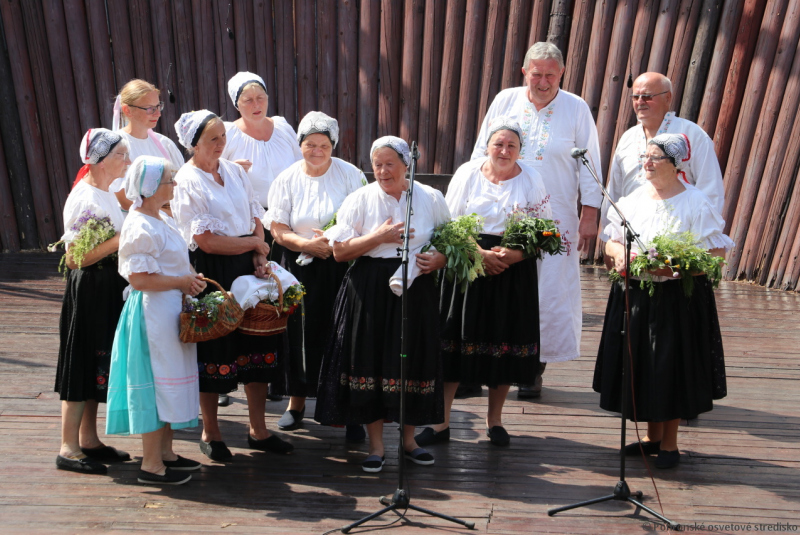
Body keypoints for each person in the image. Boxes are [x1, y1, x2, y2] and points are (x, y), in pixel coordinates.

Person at [472, 42, 602, 398]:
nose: (542, 81)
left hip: (553, 217)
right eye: (536, 73)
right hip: (500, 212)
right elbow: (479, 153)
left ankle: (532, 368)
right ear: (524, 72)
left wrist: (589, 213)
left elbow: (590, 163)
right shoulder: (505, 100)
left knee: (545, 290)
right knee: (495, 279)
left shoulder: (575, 108)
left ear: (561, 74)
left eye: (550, 74)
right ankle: (481, 362)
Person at [594, 133, 732, 469]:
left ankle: (669, 443)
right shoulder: (632, 200)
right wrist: (619, 255)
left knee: (671, 364)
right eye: (646, 156)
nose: (647, 163)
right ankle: (651, 436)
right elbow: (611, 242)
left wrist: (673, 267)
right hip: (635, 292)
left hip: (676, 298)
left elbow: (714, 254)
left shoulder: (695, 202)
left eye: (656, 158)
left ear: (675, 163)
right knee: (642, 360)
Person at [314, 136, 449, 473]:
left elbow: (451, 241)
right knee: (369, 362)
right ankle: (376, 447)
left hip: (417, 286)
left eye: (390, 163)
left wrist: (440, 260)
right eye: (377, 164)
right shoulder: (359, 199)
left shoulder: (431, 197)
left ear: (407, 165)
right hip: (370, 287)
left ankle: (409, 441)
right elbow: (340, 252)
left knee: (412, 362)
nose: (383, 171)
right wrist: (379, 237)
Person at [416, 117, 551, 448]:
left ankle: (495, 421)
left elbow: (546, 230)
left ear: (521, 150)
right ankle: (441, 422)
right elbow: (448, 224)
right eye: (498, 144)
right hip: (467, 262)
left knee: (502, 340)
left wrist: (515, 256)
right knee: (453, 339)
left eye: (511, 146)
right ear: (487, 146)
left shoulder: (532, 178)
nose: (504, 151)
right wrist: (480, 254)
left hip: (512, 269)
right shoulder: (467, 173)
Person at [171, 110, 293, 462]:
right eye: (213, 139)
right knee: (214, 349)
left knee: (258, 344)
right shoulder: (186, 181)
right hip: (213, 273)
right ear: (194, 144)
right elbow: (205, 242)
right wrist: (253, 245)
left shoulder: (236, 171)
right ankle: (212, 431)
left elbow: (257, 217)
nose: (221, 144)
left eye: (223, 136)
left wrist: (258, 252)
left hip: (247, 266)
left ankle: (259, 430)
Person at [265, 111, 366, 439]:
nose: (317, 151)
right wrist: (308, 244)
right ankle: (296, 403)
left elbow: (365, 216)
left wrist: (334, 242)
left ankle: (351, 412)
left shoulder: (351, 175)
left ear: (333, 145)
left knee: (343, 336)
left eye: (324, 145)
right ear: (300, 145)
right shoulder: (287, 178)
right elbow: (278, 229)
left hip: (342, 264)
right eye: (310, 144)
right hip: (299, 267)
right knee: (300, 333)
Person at [106, 156, 205, 485]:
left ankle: (166, 453)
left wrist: (191, 278)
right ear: (149, 189)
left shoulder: (161, 217)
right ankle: (151, 464)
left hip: (169, 309)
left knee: (169, 384)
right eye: (169, 181)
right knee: (155, 385)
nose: (174, 185)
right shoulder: (139, 225)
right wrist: (180, 283)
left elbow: (175, 264)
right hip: (151, 313)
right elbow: (140, 279)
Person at [220, 71, 302, 406]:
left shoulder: (282, 127)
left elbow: (300, 169)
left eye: (260, 98)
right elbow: (208, 171)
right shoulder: (226, 134)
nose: (255, 105)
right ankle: (225, 376)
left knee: (275, 298)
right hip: (244, 224)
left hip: (282, 219)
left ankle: (269, 375)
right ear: (235, 103)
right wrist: (229, 167)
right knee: (241, 294)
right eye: (247, 100)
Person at [55, 129, 131, 474]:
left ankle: (88, 439)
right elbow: (75, 258)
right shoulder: (84, 196)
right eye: (120, 156)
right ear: (99, 160)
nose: (126, 162)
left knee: (97, 364)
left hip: (106, 285)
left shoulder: (106, 192)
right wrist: (121, 239)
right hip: (89, 288)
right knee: (82, 361)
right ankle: (68, 448)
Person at [600, 72, 725, 239]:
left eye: (647, 96)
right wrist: (611, 235)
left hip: (677, 231)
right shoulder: (627, 138)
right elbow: (615, 189)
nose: (640, 102)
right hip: (632, 232)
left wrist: (699, 240)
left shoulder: (693, 135)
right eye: (635, 97)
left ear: (667, 98)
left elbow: (710, 189)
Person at [109, 79, 185, 212]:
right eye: (150, 108)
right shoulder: (117, 147)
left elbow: (181, 184)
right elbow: (125, 200)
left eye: (158, 106)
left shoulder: (164, 143)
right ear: (128, 110)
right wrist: (170, 214)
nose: (158, 113)